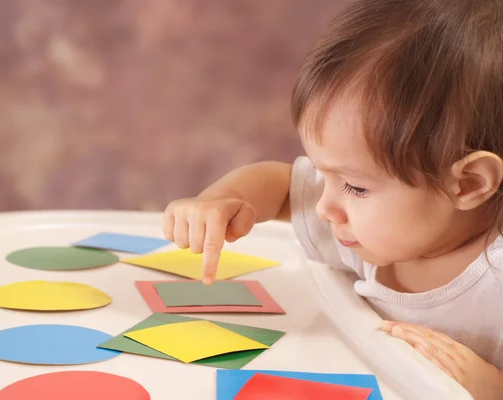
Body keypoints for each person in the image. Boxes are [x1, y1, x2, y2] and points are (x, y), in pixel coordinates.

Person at [162, 0, 503, 398]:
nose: (323, 207)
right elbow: (280, 184)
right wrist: (221, 201)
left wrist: (491, 387)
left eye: (356, 187)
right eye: (323, 175)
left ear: (467, 185)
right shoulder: (368, 229)